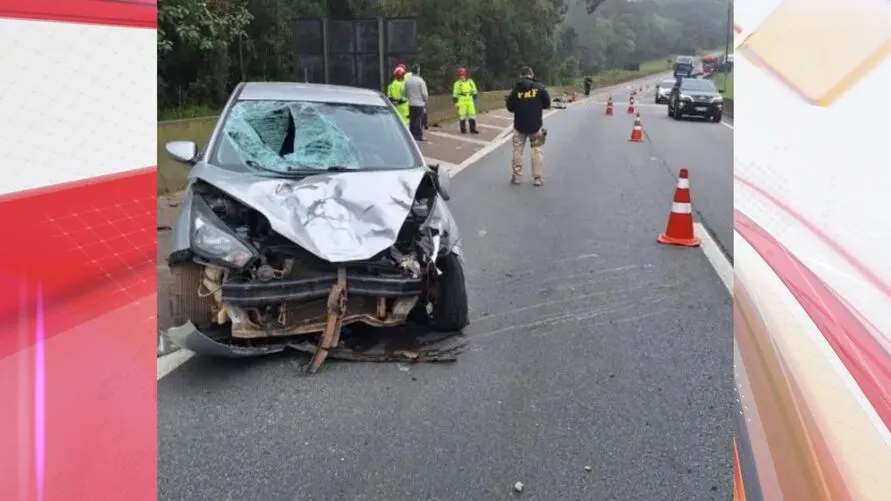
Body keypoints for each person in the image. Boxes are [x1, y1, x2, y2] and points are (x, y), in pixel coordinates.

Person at [505, 66, 550, 186]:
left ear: (521, 75)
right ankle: (538, 178)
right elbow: (547, 103)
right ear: (532, 74)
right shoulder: (540, 88)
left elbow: (509, 107)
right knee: (537, 150)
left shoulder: (516, 89)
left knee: (517, 151)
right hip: (536, 125)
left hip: (519, 125)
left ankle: (517, 177)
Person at [404, 64, 428, 141]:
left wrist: (409, 98)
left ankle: (411, 135)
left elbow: (404, 92)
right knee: (419, 120)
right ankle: (418, 136)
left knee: (412, 120)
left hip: (411, 103)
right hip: (419, 103)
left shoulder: (408, 81)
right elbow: (424, 93)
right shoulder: (421, 81)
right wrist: (425, 100)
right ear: (418, 71)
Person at [452, 67, 479, 134]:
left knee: (472, 115)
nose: (462, 76)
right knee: (462, 115)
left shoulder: (470, 81)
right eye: (460, 75)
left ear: (465, 74)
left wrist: (475, 95)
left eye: (463, 75)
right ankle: (463, 129)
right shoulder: (457, 84)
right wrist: (456, 103)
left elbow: (474, 90)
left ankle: (472, 129)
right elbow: (455, 94)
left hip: (470, 100)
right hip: (462, 101)